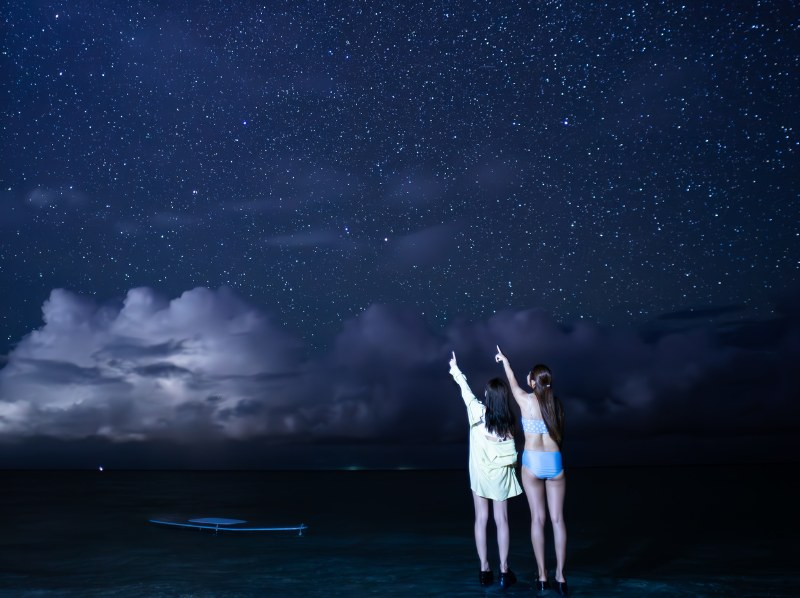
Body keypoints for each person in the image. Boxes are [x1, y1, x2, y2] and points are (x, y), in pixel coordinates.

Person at [495, 346, 568, 596]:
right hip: (555, 461)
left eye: (530, 375)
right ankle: (561, 577)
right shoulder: (555, 404)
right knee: (558, 520)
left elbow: (512, 381)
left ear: (533, 381)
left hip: (533, 462)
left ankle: (542, 577)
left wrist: (505, 361)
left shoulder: (525, 401)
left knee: (538, 519)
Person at [448, 351, 522, 588]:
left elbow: (464, 389)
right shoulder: (509, 423)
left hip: (480, 476)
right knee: (502, 520)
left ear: (488, 397)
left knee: (481, 519)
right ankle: (503, 570)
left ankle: (483, 569)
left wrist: (455, 368)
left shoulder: (476, 413)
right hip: (500, 477)